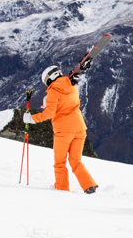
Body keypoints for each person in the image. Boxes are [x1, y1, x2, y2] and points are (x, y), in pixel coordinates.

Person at [23, 65, 98, 194]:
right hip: (80, 129)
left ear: (49, 79)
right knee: (76, 161)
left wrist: (31, 119)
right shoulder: (71, 85)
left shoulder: (53, 91)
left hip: (64, 131)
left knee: (60, 162)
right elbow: (66, 104)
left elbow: (49, 114)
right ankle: (89, 186)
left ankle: (61, 189)